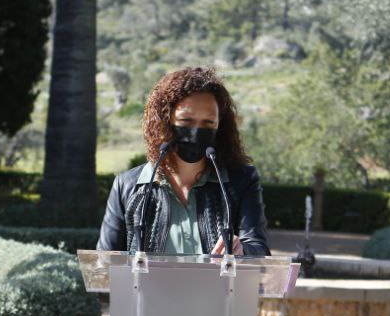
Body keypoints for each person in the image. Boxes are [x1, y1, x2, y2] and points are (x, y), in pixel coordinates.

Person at [97, 66, 269, 258]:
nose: (197, 130)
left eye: (208, 123)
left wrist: (243, 249)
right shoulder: (127, 186)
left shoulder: (242, 181)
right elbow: (103, 266)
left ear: (220, 126)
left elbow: (259, 249)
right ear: (165, 121)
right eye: (186, 121)